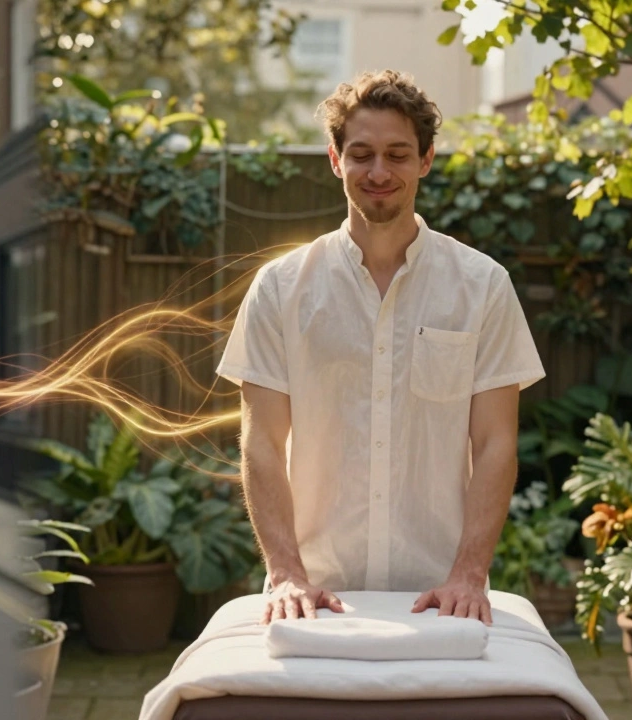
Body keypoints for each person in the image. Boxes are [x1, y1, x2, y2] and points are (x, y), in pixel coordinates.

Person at [216, 70, 544, 627]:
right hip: (314, 598)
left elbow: (495, 444)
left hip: (442, 598)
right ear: (335, 160)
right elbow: (261, 444)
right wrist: (287, 573)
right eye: (362, 154)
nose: (378, 172)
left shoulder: (483, 286)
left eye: (397, 154)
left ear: (426, 160)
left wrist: (468, 575)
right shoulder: (280, 288)